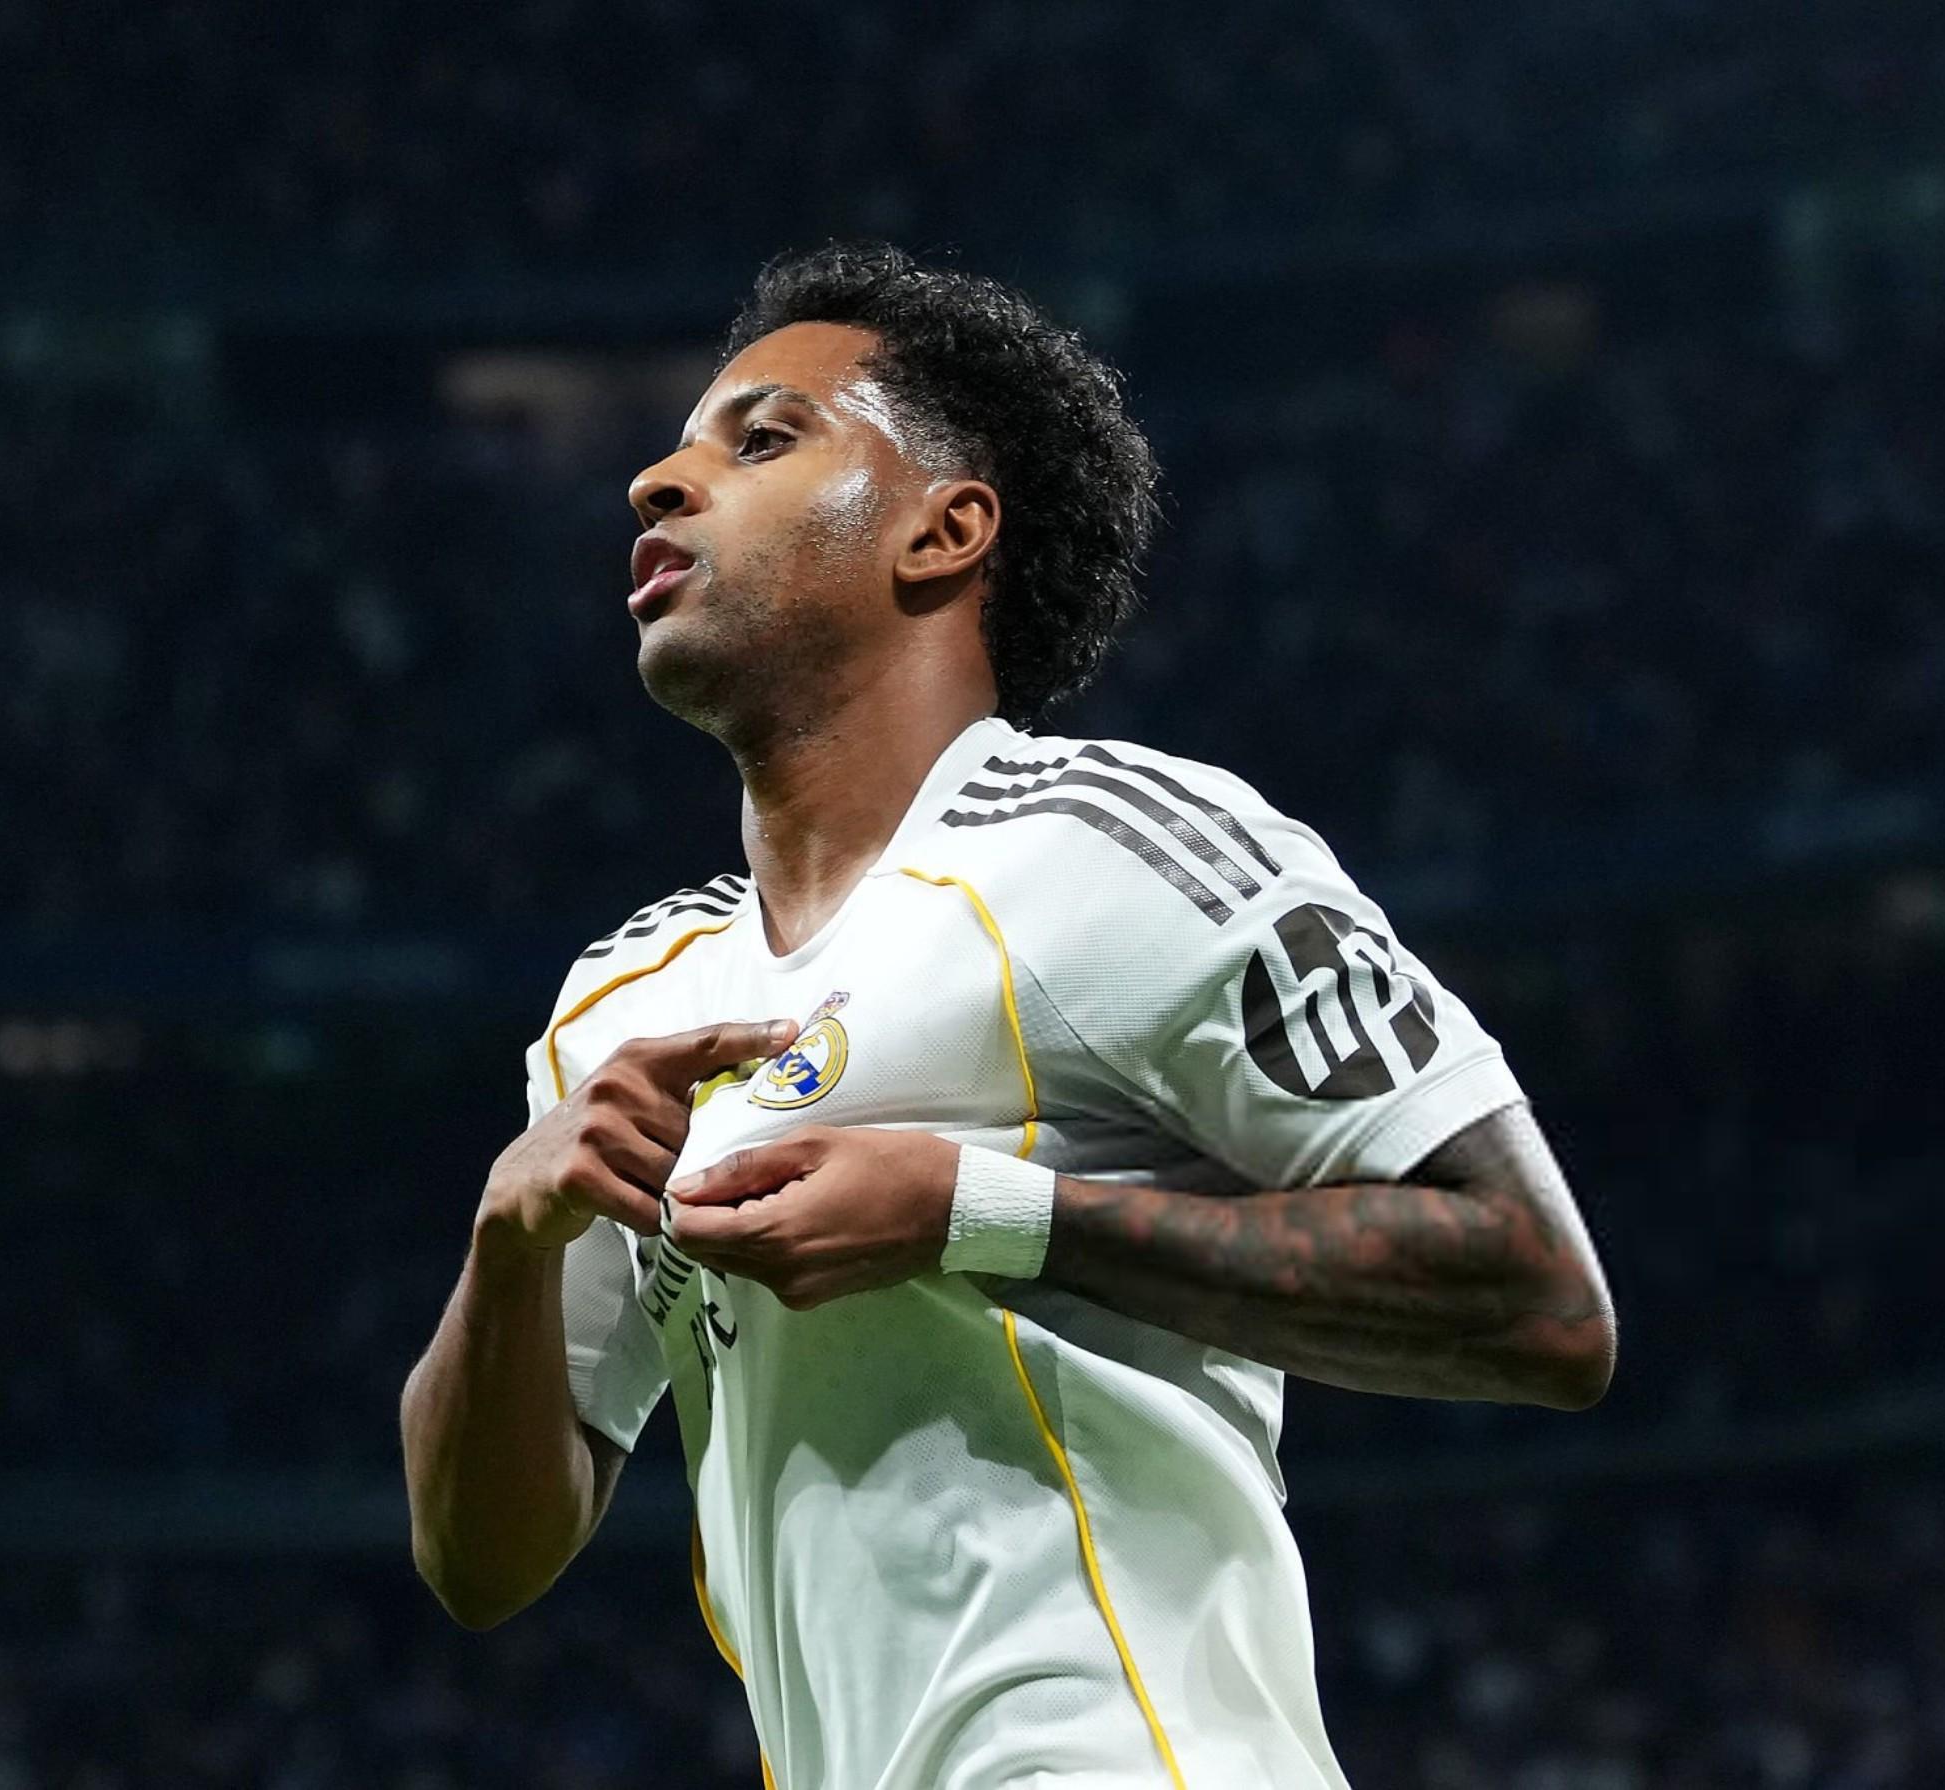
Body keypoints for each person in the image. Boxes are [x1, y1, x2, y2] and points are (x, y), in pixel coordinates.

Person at [400, 242, 1616, 1790]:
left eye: (762, 440)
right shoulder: (623, 1001)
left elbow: (1538, 1297)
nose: (656, 479)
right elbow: (479, 1561)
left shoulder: (1114, 845)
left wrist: (974, 1209)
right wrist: (507, 1244)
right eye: (683, 447)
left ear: (943, 530)